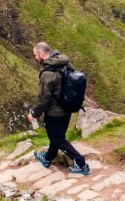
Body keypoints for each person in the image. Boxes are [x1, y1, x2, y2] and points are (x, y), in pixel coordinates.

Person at [27, 42, 90, 175]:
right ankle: (48, 158)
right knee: (57, 137)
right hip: (66, 109)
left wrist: (34, 113)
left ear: (41, 54)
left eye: (35, 55)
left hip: (54, 113)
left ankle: (81, 163)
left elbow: (44, 98)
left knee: (58, 140)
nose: (35, 58)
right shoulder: (64, 64)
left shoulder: (48, 73)